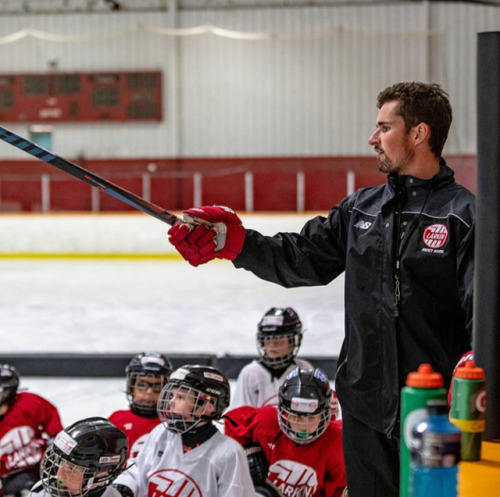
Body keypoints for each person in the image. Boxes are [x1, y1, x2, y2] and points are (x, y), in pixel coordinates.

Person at [167, 82, 475, 497]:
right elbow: (301, 257)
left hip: (435, 410)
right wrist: (236, 243)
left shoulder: (463, 216)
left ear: (419, 133)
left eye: (384, 127)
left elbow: (484, 313)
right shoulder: (362, 208)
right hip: (365, 407)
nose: (372, 138)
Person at [112, 364, 255, 497]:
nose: (171, 402)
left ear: (207, 406)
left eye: (180, 397)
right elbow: (138, 470)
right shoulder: (161, 433)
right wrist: (125, 485)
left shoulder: (229, 453)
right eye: (172, 395)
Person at [225, 367, 347, 497]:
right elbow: (232, 421)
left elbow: (338, 489)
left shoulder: (337, 441)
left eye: (311, 417)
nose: (303, 426)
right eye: (296, 417)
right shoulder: (267, 421)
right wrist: (248, 452)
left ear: (325, 414)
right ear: (283, 411)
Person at [0, 364, 64, 497]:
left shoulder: (29, 404)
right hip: (7, 476)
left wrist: (56, 442)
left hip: (39, 467)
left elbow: (56, 430)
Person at [231, 307, 314, 409]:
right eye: (267, 338)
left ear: (294, 341)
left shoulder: (304, 370)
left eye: (279, 339)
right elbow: (239, 417)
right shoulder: (250, 373)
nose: (272, 344)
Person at [29, 417, 128, 497]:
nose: (60, 475)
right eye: (60, 462)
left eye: (72, 469)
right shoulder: (41, 491)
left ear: (101, 476)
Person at [108, 352, 173, 463]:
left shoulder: (173, 422)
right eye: (142, 385)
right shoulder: (117, 419)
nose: (149, 392)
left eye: (157, 386)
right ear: (131, 387)